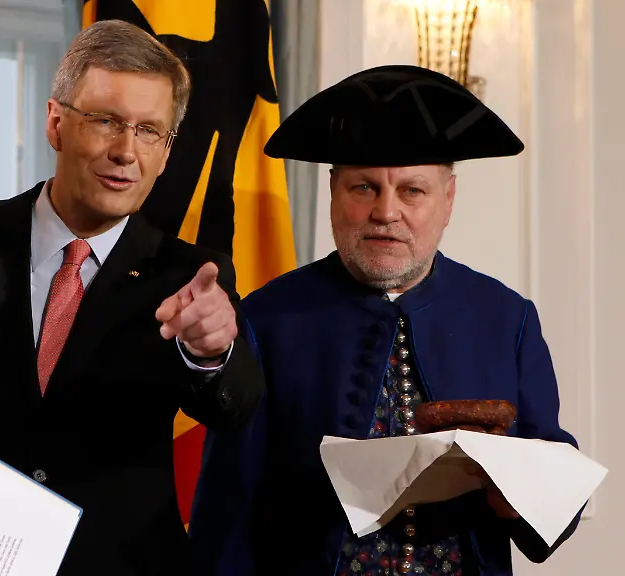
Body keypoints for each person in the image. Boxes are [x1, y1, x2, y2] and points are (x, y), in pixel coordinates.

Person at [0, 19, 266, 576]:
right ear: (56, 123)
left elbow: (235, 408)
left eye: (149, 131)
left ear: (167, 153)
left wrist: (211, 355)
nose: (126, 152)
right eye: (106, 121)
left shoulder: (188, 276)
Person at [188, 65, 582, 576]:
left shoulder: (508, 318)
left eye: (412, 191)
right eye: (364, 188)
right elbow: (226, 510)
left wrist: (522, 496)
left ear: (448, 200)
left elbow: (554, 481)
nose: (386, 212)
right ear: (334, 192)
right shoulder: (268, 318)